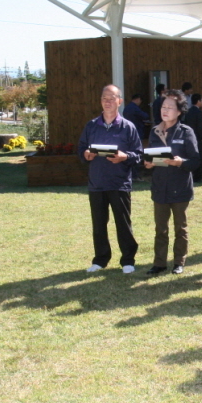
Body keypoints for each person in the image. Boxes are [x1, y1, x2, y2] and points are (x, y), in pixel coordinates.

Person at [77, 84, 143, 273]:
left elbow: (138, 154)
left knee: (123, 224)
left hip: (119, 183)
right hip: (97, 183)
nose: (107, 101)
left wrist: (125, 156)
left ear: (119, 102)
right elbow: (81, 149)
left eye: (112, 98)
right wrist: (86, 154)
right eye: (104, 98)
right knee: (98, 225)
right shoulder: (91, 126)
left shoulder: (128, 127)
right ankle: (100, 260)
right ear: (100, 101)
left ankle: (128, 260)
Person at [144, 89, 200, 276]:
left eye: (170, 107)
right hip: (160, 187)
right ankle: (159, 263)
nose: (165, 110)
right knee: (160, 229)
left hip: (180, 188)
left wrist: (180, 162)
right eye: (163, 106)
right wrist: (148, 163)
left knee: (180, 228)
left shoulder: (186, 132)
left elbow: (195, 161)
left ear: (179, 111)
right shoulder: (154, 132)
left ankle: (179, 262)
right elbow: (152, 158)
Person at [184, 93, 202, 183]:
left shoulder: (188, 112)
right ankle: (197, 176)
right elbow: (200, 127)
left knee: (190, 157)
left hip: (189, 138)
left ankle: (191, 175)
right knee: (199, 158)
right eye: (201, 100)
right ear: (198, 101)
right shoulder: (199, 113)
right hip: (198, 138)